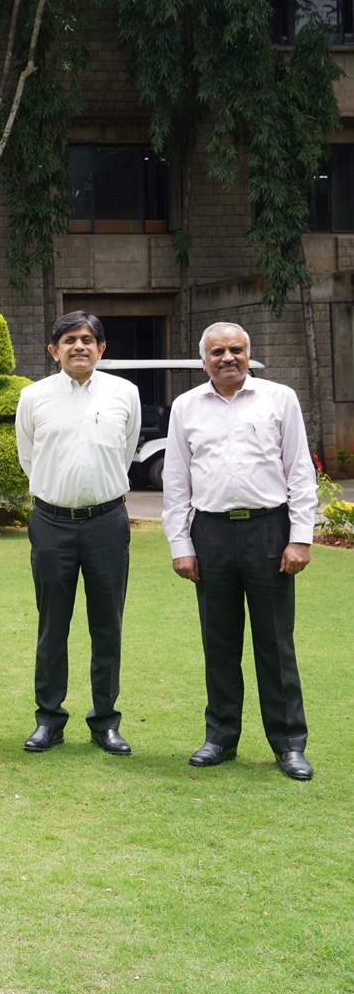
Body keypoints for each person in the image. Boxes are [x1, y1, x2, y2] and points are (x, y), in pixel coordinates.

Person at [162, 322, 318, 781]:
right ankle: (220, 737)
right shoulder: (186, 407)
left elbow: (300, 472)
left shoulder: (279, 398)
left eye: (235, 349)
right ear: (203, 359)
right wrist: (181, 544)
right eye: (217, 351)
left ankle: (289, 744)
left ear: (248, 354)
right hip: (210, 534)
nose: (227, 357)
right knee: (220, 642)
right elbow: (176, 482)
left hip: (269, 531)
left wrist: (300, 536)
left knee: (275, 642)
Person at [14, 310, 141, 756]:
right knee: (52, 626)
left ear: (101, 348)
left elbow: (124, 453)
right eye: (69, 340)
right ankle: (49, 719)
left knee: (108, 625)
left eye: (88, 339)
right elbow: (29, 457)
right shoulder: (33, 397)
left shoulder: (125, 393)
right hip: (51, 523)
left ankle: (105, 721)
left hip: (108, 522)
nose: (79, 346)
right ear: (54, 351)